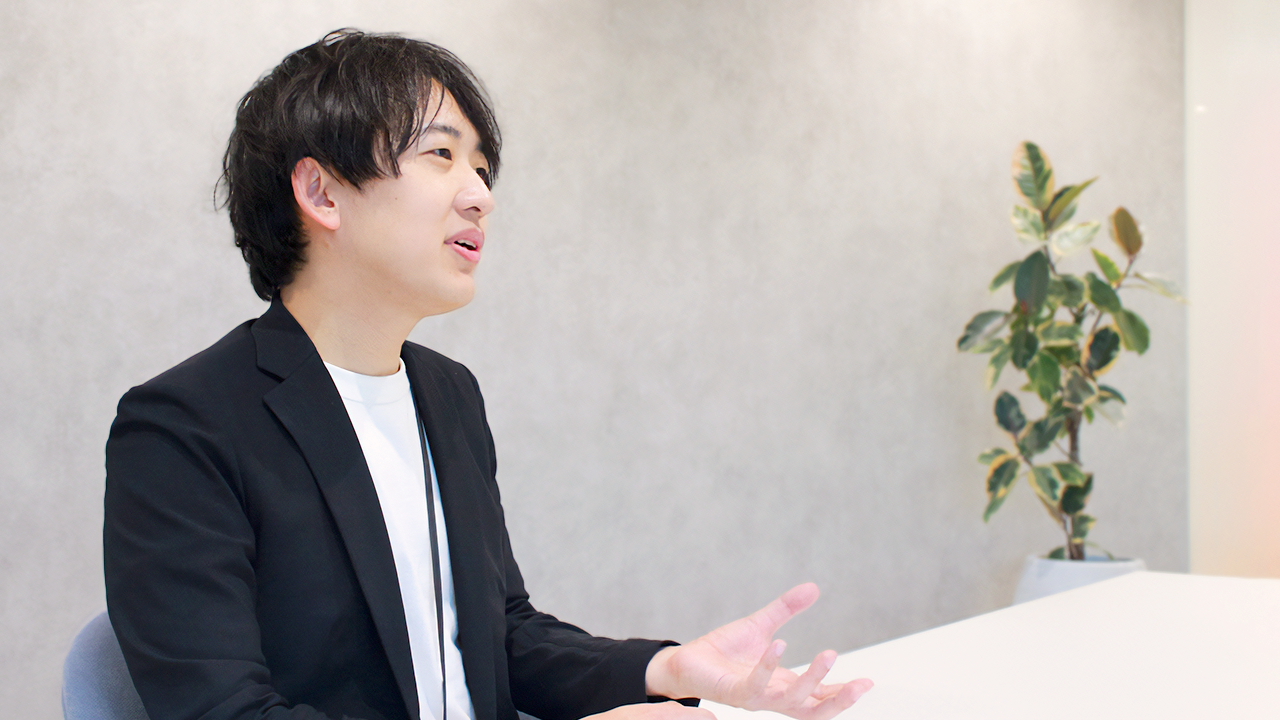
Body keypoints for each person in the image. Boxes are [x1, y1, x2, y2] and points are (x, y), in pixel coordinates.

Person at [103, 29, 873, 720]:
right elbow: (224, 712)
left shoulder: (447, 393)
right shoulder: (184, 427)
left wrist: (664, 668)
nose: (480, 196)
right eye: (441, 155)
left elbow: (500, 637)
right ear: (322, 192)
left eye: (480, 166)